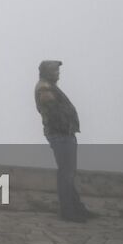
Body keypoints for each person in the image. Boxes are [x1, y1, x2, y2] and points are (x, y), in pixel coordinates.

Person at [34, 59, 92, 222]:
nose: (58, 73)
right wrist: (66, 126)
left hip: (63, 133)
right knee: (66, 174)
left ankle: (76, 208)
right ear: (46, 72)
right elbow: (53, 112)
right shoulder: (44, 88)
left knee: (68, 173)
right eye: (54, 71)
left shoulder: (50, 86)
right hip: (60, 134)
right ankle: (68, 211)